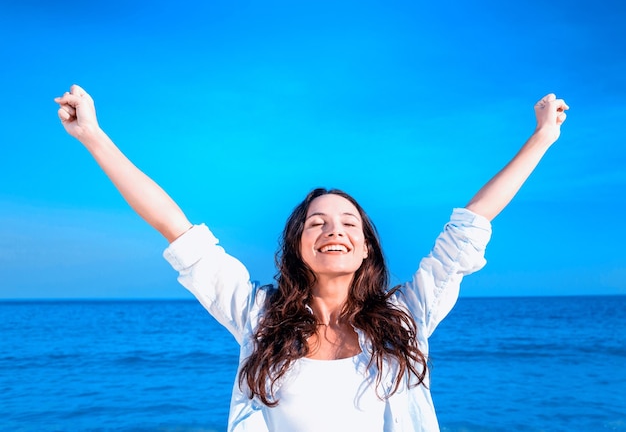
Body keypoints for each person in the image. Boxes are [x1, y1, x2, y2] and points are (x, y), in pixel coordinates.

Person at [54, 85, 568, 432]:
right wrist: (95, 138)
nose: (333, 231)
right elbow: (175, 227)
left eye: (348, 223)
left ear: (366, 246)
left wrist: (542, 137)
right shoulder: (256, 315)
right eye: (316, 222)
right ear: (298, 244)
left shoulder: (409, 315)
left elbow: (471, 225)